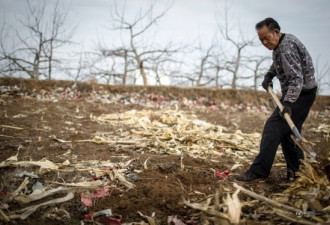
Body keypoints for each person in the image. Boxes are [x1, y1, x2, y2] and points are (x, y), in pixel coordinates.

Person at [236, 18, 318, 182]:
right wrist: (269, 75)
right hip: (299, 92)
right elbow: (278, 63)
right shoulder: (280, 45)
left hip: (301, 93)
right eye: (261, 40)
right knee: (288, 134)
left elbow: (296, 78)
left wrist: (288, 103)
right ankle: (297, 174)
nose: (264, 42)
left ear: (276, 32)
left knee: (273, 127)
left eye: (266, 38)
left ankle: (259, 171)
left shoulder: (286, 47)